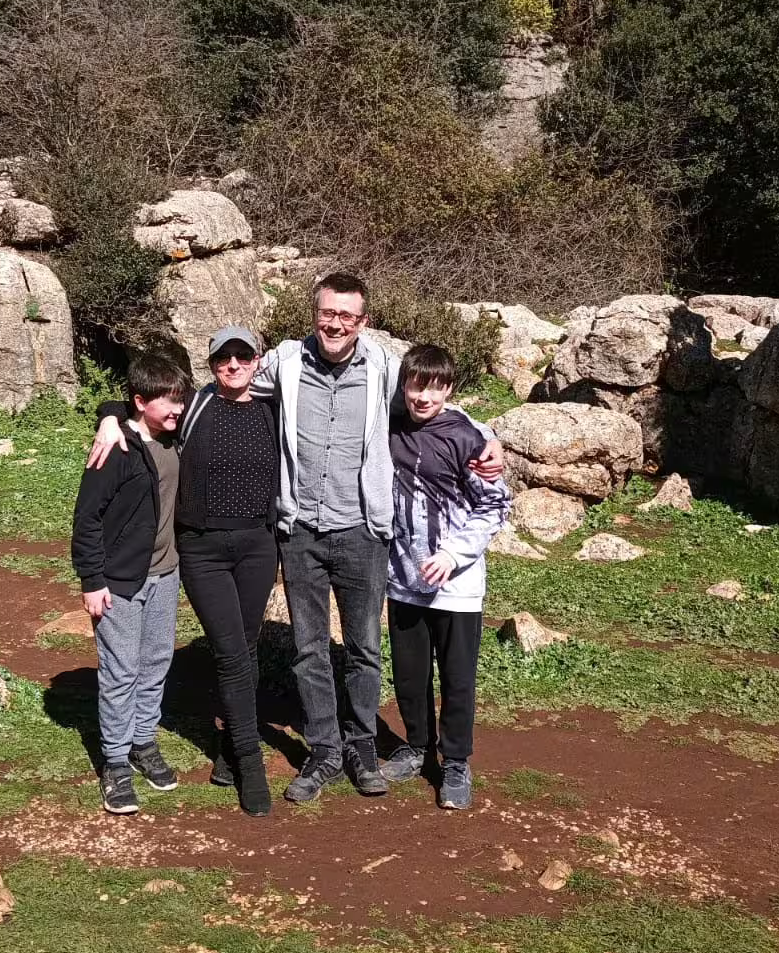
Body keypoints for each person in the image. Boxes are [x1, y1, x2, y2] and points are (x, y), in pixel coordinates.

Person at [92, 272, 502, 805]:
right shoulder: (283, 363)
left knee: (364, 649)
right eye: (328, 313)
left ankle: (360, 745)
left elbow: (430, 401)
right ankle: (325, 749)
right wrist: (113, 414)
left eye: (347, 316)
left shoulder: (380, 366)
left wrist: (487, 437)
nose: (336, 323)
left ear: (363, 322)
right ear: (315, 314)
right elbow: (199, 394)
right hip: (300, 532)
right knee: (309, 650)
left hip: (362, 532)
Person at [92, 326, 281, 815]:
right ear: (212, 361)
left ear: (258, 360)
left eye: (243, 356)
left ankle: (224, 747)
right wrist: (109, 417)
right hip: (201, 549)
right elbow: (143, 406)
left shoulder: (274, 406)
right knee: (228, 648)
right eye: (223, 357)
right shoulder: (193, 408)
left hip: (259, 545)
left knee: (244, 644)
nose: (233, 364)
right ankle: (248, 758)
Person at [379, 343, 512, 810]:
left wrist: (454, 554)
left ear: (449, 390)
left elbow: (496, 504)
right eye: (416, 385)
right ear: (404, 384)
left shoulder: (467, 437)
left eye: (435, 389)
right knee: (409, 677)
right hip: (403, 579)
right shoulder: (389, 419)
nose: (423, 398)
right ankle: (416, 748)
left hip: (456, 586)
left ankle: (455, 761)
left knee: (457, 678)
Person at [71, 353, 190, 815]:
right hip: (119, 581)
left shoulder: (173, 436)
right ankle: (116, 763)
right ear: (141, 401)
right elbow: (87, 519)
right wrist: (91, 579)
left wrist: (109, 411)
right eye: (168, 402)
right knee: (121, 671)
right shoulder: (115, 449)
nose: (177, 409)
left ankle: (144, 743)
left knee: (156, 661)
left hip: (166, 573)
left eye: (180, 400)